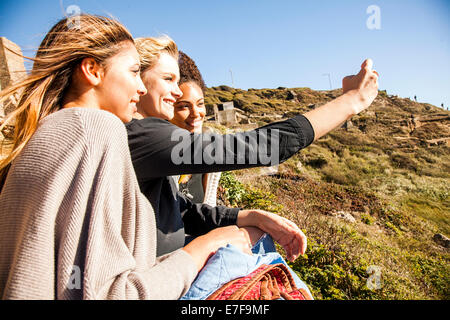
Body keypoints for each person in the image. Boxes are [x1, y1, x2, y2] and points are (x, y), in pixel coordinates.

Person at [0, 15, 253, 300]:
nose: (142, 87)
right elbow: (108, 294)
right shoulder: (96, 129)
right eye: (134, 72)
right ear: (92, 70)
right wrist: (204, 247)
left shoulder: (45, 134)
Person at [127, 36, 379, 262]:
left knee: (254, 236)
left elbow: (179, 209)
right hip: (158, 278)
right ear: (138, 80)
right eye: (168, 79)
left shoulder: (143, 134)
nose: (175, 89)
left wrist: (250, 216)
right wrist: (351, 101)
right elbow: (260, 147)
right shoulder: (142, 135)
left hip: (167, 266)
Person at [170, 51, 221, 207]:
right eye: (183, 106)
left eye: (200, 104)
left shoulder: (211, 149)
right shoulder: (159, 151)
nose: (196, 113)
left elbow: (209, 210)